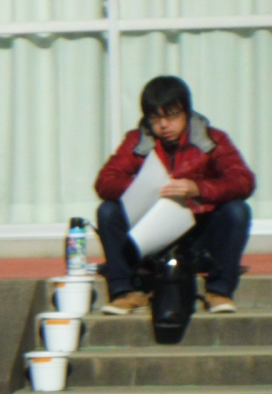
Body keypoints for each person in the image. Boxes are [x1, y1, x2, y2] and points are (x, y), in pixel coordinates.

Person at [95, 75, 255, 315]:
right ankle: (125, 292)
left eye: (171, 116)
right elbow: (105, 181)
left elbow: (243, 181)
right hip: (151, 234)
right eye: (155, 118)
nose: (163, 125)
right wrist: (146, 189)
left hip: (198, 234)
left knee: (237, 211)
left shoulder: (212, 139)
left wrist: (198, 189)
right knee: (108, 211)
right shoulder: (137, 140)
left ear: (187, 113)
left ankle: (219, 291)